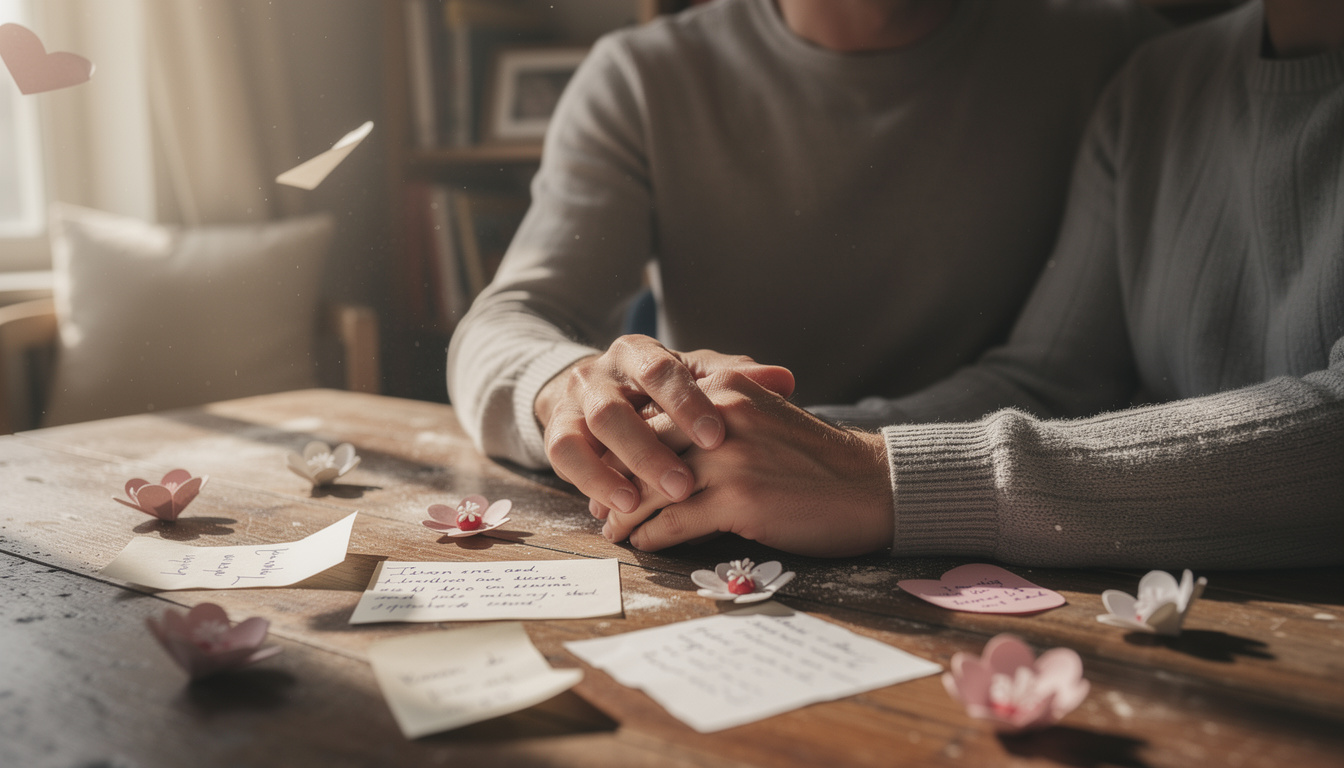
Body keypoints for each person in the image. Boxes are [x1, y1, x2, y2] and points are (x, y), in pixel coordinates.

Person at [603, 0, 1344, 570]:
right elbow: (1054, 376)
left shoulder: (1109, 48)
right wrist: (739, 439)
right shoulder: (1158, 80)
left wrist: (883, 477)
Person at [447, 0, 1165, 522]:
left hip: (991, 519)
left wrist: (826, 454)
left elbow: (1062, 374)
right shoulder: (642, 76)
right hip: (713, 517)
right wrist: (562, 388)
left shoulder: (1119, 53)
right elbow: (509, 318)